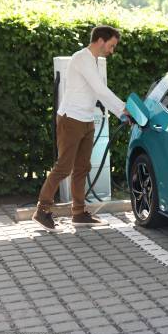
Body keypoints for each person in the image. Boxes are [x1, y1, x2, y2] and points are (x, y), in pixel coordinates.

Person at [32, 25, 131, 232]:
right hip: (71, 119)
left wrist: (121, 111)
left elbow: (96, 92)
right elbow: (100, 89)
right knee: (63, 167)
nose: (112, 50)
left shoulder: (93, 60)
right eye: (111, 45)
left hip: (86, 120)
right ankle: (42, 210)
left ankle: (78, 213)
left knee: (82, 168)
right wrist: (124, 109)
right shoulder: (82, 58)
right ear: (101, 40)